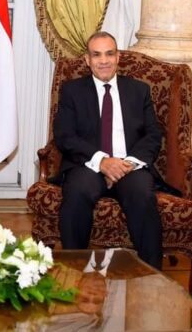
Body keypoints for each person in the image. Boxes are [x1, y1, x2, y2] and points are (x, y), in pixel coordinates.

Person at [53, 31, 164, 269]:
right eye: (96, 55)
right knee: (77, 192)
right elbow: (64, 136)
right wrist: (102, 162)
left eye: (109, 54)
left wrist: (127, 164)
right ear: (87, 60)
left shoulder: (139, 90)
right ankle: (74, 268)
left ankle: (152, 273)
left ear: (118, 57)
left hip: (129, 166)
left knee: (142, 195)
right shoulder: (72, 91)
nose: (103, 61)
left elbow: (153, 135)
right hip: (88, 165)